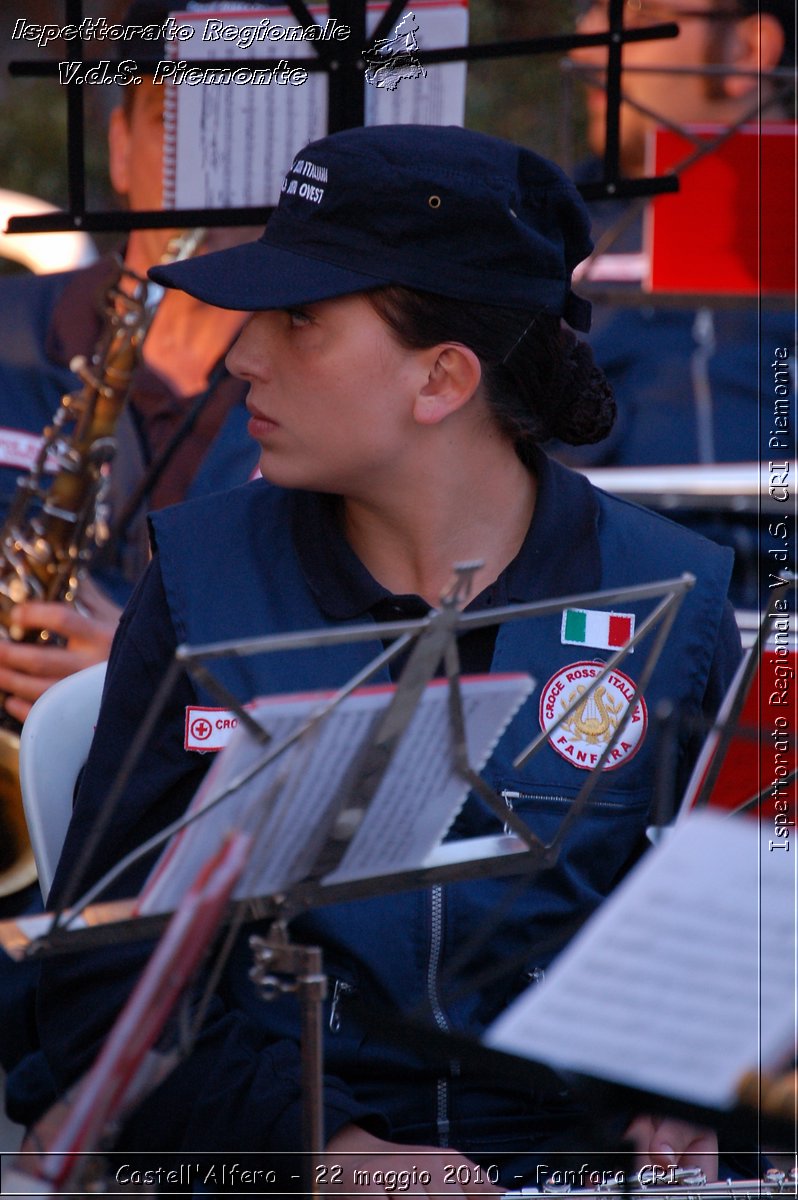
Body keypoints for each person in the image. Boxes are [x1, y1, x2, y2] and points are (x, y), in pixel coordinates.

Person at [23, 125, 743, 1194]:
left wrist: (686, 1087)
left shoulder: (674, 599)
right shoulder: (199, 583)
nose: (240, 356)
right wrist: (334, 1150)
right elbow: (93, 987)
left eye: (298, 321)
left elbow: (730, 947)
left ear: (442, 378)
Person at [0, 0, 260, 727]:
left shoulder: (337, 387)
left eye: (240, 126)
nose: (209, 165)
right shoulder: (9, 332)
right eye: (176, 124)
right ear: (118, 147)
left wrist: (151, 675)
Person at [558, 0, 795, 607]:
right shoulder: (543, 235)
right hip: (599, 630)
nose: (587, 51)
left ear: (747, 51)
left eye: (634, 21)